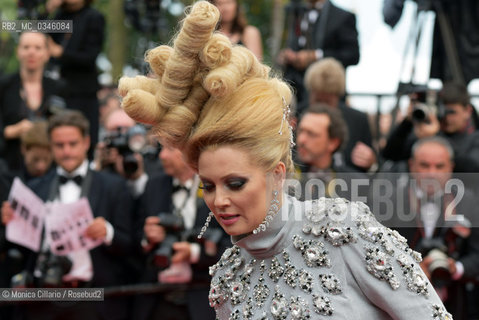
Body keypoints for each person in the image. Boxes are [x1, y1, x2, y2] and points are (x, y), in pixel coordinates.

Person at [119, 1, 452, 318]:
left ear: (277, 173)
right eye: (208, 185)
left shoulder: (340, 226)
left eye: (236, 183)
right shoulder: (227, 276)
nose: (219, 200)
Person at [1, 110, 133, 320]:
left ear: (86, 142)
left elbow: (130, 246)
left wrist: (107, 232)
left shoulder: (113, 187)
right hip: (43, 297)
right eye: (59, 145)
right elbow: (20, 250)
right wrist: (9, 224)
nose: (67, 151)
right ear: (51, 147)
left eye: (72, 144)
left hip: (94, 298)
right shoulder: (34, 189)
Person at [372, 137, 479, 319]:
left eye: (439, 166)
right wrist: (412, 270)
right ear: (411, 166)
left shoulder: (468, 201)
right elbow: (375, 255)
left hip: (455, 303)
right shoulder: (388, 202)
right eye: (424, 165)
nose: (432, 173)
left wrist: (456, 268)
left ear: (451, 167)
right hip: (400, 303)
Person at [133, 145, 228, 320]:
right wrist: (149, 238)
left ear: (190, 151)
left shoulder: (217, 186)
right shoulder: (154, 185)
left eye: (169, 149)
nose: (162, 155)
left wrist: (193, 253)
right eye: (160, 149)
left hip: (204, 301)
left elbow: (231, 243)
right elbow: (135, 236)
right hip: (158, 300)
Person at [43, 0, 105, 159]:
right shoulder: (60, 16)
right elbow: (36, 36)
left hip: (82, 91)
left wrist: (61, 54)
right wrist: (46, 11)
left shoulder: (93, 17)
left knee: (82, 139)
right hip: (56, 89)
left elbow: (90, 56)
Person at [277, 0, 360, 112]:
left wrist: (315, 56)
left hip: (326, 96)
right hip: (296, 96)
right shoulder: (296, 13)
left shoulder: (343, 16)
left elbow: (353, 55)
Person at [0, 32, 64, 175]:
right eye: (26, 47)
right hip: (9, 167)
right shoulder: (3, 86)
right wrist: (12, 131)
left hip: (50, 170)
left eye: (38, 47)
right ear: (18, 52)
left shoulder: (59, 88)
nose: (31, 52)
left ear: (47, 53)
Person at [304, 58, 377, 172]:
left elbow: (376, 167)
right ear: (310, 95)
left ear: (338, 98)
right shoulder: (297, 116)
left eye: (328, 102)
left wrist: (372, 163)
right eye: (318, 101)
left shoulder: (358, 121)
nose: (322, 108)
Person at [296, 103, 369, 200]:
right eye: (300, 131)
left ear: (333, 143)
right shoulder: (284, 176)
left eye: (311, 134)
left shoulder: (356, 185)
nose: (301, 140)